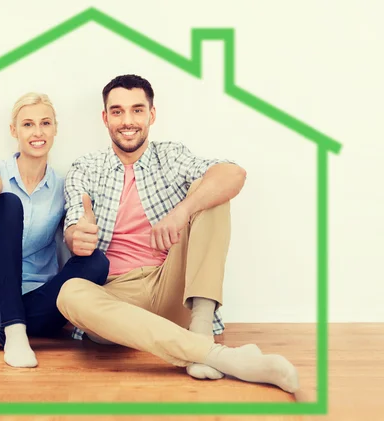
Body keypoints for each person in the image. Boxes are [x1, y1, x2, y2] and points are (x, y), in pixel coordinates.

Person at [56, 74, 300, 393]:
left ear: (151, 115)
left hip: (170, 284)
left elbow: (233, 174)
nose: (127, 121)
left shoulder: (170, 156)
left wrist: (181, 211)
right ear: (105, 118)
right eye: (117, 111)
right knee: (69, 292)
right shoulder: (85, 167)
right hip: (117, 298)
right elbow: (77, 214)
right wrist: (78, 234)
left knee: (211, 189)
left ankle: (201, 327)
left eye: (137, 110)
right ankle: (222, 357)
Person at [0, 92, 109, 368]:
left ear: (55, 129)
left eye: (45, 123)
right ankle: (13, 331)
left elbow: (75, 232)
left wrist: (80, 234)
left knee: (97, 262)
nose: (37, 132)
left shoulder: (63, 188)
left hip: (33, 301)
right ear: (14, 130)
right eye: (27, 124)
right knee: (9, 203)